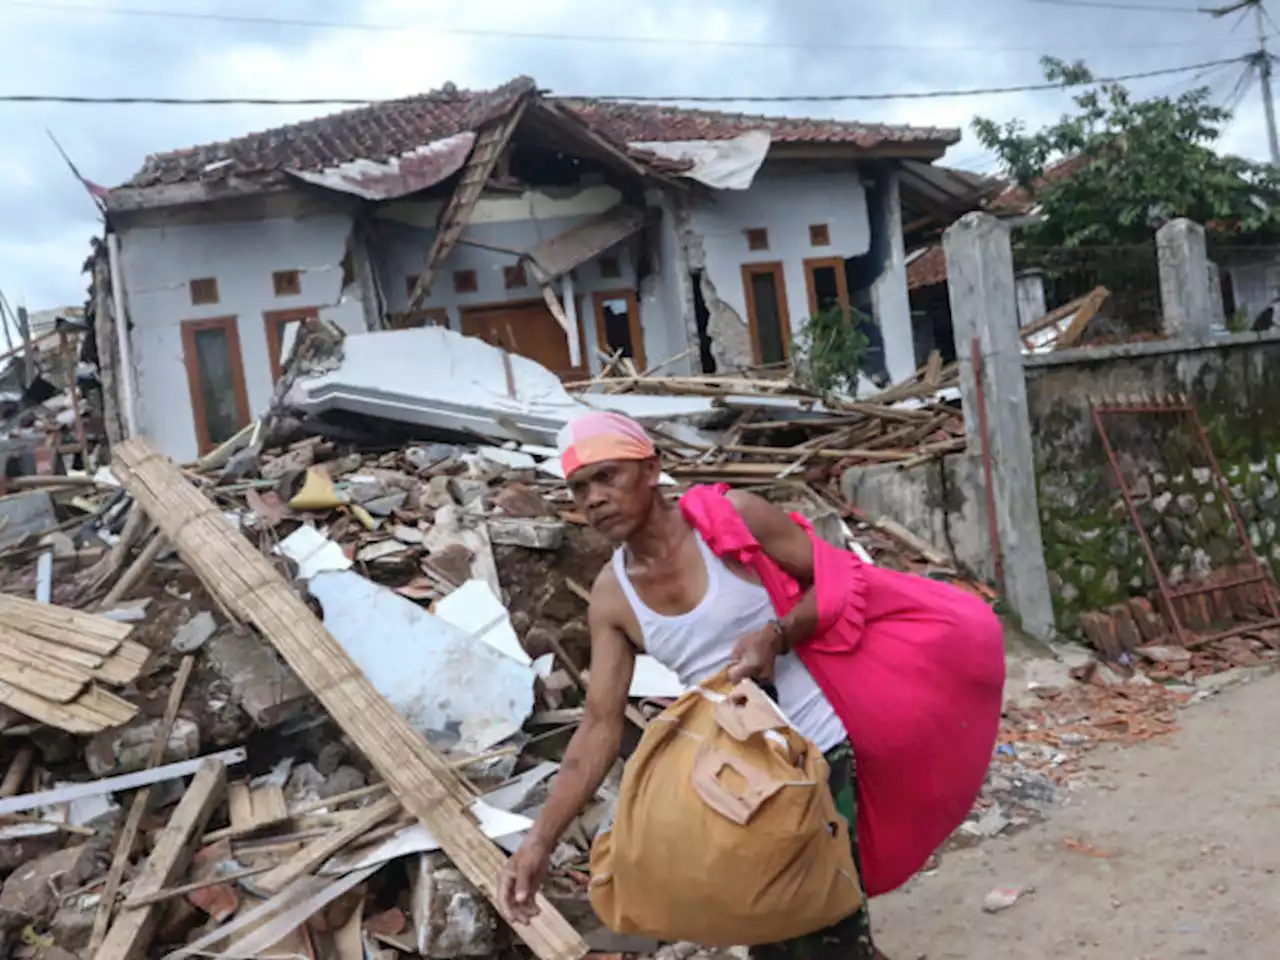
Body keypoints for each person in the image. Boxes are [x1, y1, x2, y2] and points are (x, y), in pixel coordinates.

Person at [498, 411, 885, 960]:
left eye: (607, 477)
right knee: (787, 933)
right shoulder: (613, 597)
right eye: (580, 488)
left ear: (652, 469)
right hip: (743, 782)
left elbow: (842, 582)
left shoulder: (732, 521)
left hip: (821, 753)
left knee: (824, 930)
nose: (593, 499)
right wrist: (539, 842)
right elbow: (599, 728)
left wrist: (777, 634)